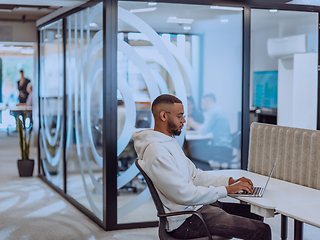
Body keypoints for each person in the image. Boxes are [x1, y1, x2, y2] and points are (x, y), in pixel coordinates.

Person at [132, 94, 271, 240]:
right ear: (163, 116)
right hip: (187, 221)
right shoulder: (156, 152)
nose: (184, 120)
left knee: (254, 214)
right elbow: (184, 194)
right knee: (261, 230)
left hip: (198, 209)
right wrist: (227, 190)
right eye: (179, 116)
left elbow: (195, 175)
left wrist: (229, 182)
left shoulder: (168, 142)